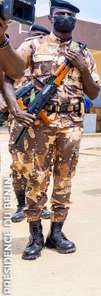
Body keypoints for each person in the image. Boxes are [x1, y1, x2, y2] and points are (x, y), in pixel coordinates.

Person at [6, 0, 100, 260]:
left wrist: (81, 66)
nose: (66, 17)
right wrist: (14, 108)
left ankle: (56, 232)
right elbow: (7, 76)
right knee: (37, 178)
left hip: (71, 126)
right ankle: (35, 235)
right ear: (51, 16)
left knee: (64, 179)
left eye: (71, 14)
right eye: (61, 13)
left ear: (75, 21)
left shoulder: (84, 52)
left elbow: (93, 91)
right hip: (40, 125)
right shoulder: (33, 45)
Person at [2, 24, 52, 223]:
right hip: (19, 121)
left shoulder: (48, 66)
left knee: (41, 165)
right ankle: (21, 205)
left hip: (42, 122)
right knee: (19, 165)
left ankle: (41, 204)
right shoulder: (13, 64)